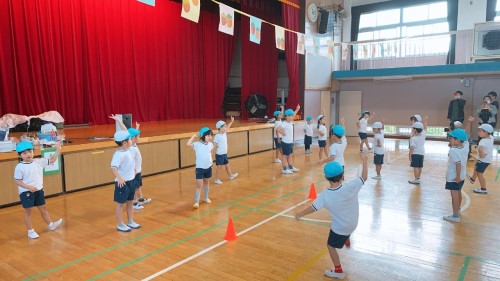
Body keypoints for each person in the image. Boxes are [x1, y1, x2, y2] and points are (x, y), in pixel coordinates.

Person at [295, 153, 368, 279]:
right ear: (343, 175)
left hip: (341, 228)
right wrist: (365, 161)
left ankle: (338, 271)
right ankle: (346, 238)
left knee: (330, 246)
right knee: (345, 225)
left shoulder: (324, 196)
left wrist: (299, 214)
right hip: (353, 224)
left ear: (326, 178)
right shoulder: (351, 186)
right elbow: (364, 177)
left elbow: (313, 208)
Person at [14, 141, 63, 239]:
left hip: (38, 190)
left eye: (30, 151)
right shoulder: (19, 167)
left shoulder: (39, 162)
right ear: (20, 155)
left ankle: (50, 224)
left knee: (43, 208)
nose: (28, 154)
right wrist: (29, 188)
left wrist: (58, 150)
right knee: (28, 212)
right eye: (25, 153)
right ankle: (30, 231)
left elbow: (52, 160)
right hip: (26, 192)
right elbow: (17, 180)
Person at [109, 114, 151, 210]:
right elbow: (125, 130)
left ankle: (140, 199)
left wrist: (136, 128)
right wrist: (118, 121)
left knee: (138, 185)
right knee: (135, 187)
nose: (139, 137)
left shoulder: (133, 144)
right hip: (134, 171)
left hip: (137, 170)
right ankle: (135, 202)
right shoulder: (130, 147)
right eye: (138, 136)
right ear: (131, 139)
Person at [110, 130, 141, 232]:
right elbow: (113, 167)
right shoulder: (118, 154)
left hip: (131, 181)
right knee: (120, 204)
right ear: (124, 142)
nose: (132, 140)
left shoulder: (129, 150)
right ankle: (120, 224)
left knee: (130, 202)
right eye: (130, 139)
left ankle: (130, 221)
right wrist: (119, 178)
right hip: (122, 183)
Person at [443, 129, 469, 223]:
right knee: (458, 192)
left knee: (454, 196)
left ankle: (455, 216)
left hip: (454, 177)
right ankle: (457, 210)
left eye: (451, 138)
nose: (449, 139)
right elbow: (466, 137)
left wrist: (457, 176)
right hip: (462, 176)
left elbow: (458, 164)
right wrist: (469, 123)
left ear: (457, 140)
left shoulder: (453, 151)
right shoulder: (466, 146)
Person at [187, 127, 214, 208]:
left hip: (208, 167)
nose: (210, 137)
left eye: (211, 135)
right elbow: (188, 144)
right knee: (199, 185)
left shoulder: (210, 144)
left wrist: (211, 161)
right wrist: (193, 136)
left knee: (206, 183)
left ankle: (206, 197)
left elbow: (210, 152)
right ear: (202, 136)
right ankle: (196, 202)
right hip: (200, 168)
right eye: (208, 136)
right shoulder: (197, 144)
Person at [467, 124, 495, 194]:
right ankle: (472, 179)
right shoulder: (491, 137)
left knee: (480, 174)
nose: (478, 132)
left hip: (483, 160)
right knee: (476, 167)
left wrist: (481, 155)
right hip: (487, 160)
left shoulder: (483, 142)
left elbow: (480, 150)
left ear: (486, 132)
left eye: (480, 131)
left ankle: (483, 189)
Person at [213, 116, 238, 184]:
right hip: (220, 155)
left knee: (227, 166)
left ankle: (230, 176)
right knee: (219, 167)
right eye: (224, 127)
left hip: (224, 154)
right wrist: (210, 152)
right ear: (220, 128)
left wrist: (232, 122)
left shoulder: (224, 133)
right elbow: (214, 145)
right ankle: (216, 179)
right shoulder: (217, 136)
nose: (226, 128)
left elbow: (228, 127)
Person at [277, 105, 300, 174]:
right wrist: (283, 133)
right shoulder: (284, 123)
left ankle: (290, 167)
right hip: (285, 143)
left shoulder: (290, 122)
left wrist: (297, 109)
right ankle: (284, 168)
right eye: (289, 116)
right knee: (285, 156)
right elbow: (278, 129)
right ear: (286, 116)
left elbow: (294, 114)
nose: (291, 117)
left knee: (289, 155)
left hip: (290, 142)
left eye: (292, 116)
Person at [408, 117, 428, 185]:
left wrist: (410, 155)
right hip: (422, 153)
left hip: (415, 153)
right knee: (419, 166)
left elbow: (412, 148)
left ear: (415, 130)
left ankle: (416, 179)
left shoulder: (413, 138)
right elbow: (425, 128)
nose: (412, 130)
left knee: (415, 167)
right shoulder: (423, 134)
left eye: (413, 129)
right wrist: (425, 121)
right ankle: (418, 177)